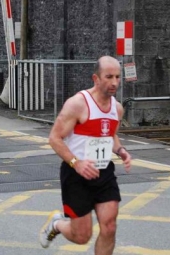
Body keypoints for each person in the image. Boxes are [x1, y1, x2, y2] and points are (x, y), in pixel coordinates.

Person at [39, 55, 131, 255]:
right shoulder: (78, 104)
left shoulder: (117, 108)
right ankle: (57, 225)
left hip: (104, 172)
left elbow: (110, 135)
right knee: (82, 236)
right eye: (109, 77)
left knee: (110, 227)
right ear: (96, 79)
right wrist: (76, 163)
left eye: (117, 77)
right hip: (76, 175)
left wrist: (121, 151)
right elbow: (55, 138)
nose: (115, 82)